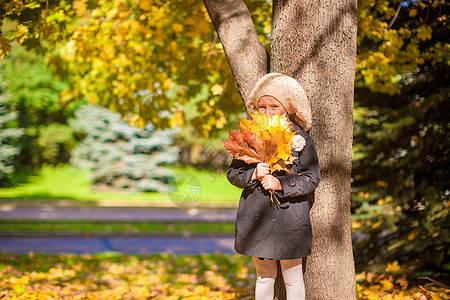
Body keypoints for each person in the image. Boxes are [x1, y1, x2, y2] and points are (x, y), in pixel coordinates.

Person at [226, 73, 321, 300]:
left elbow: (311, 177)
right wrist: (252, 174)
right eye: (262, 107)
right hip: (257, 216)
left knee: (293, 277)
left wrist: (281, 183)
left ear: (287, 108)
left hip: (290, 219)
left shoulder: (301, 140)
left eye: (274, 106)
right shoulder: (250, 137)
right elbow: (233, 173)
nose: (268, 112)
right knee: (264, 276)